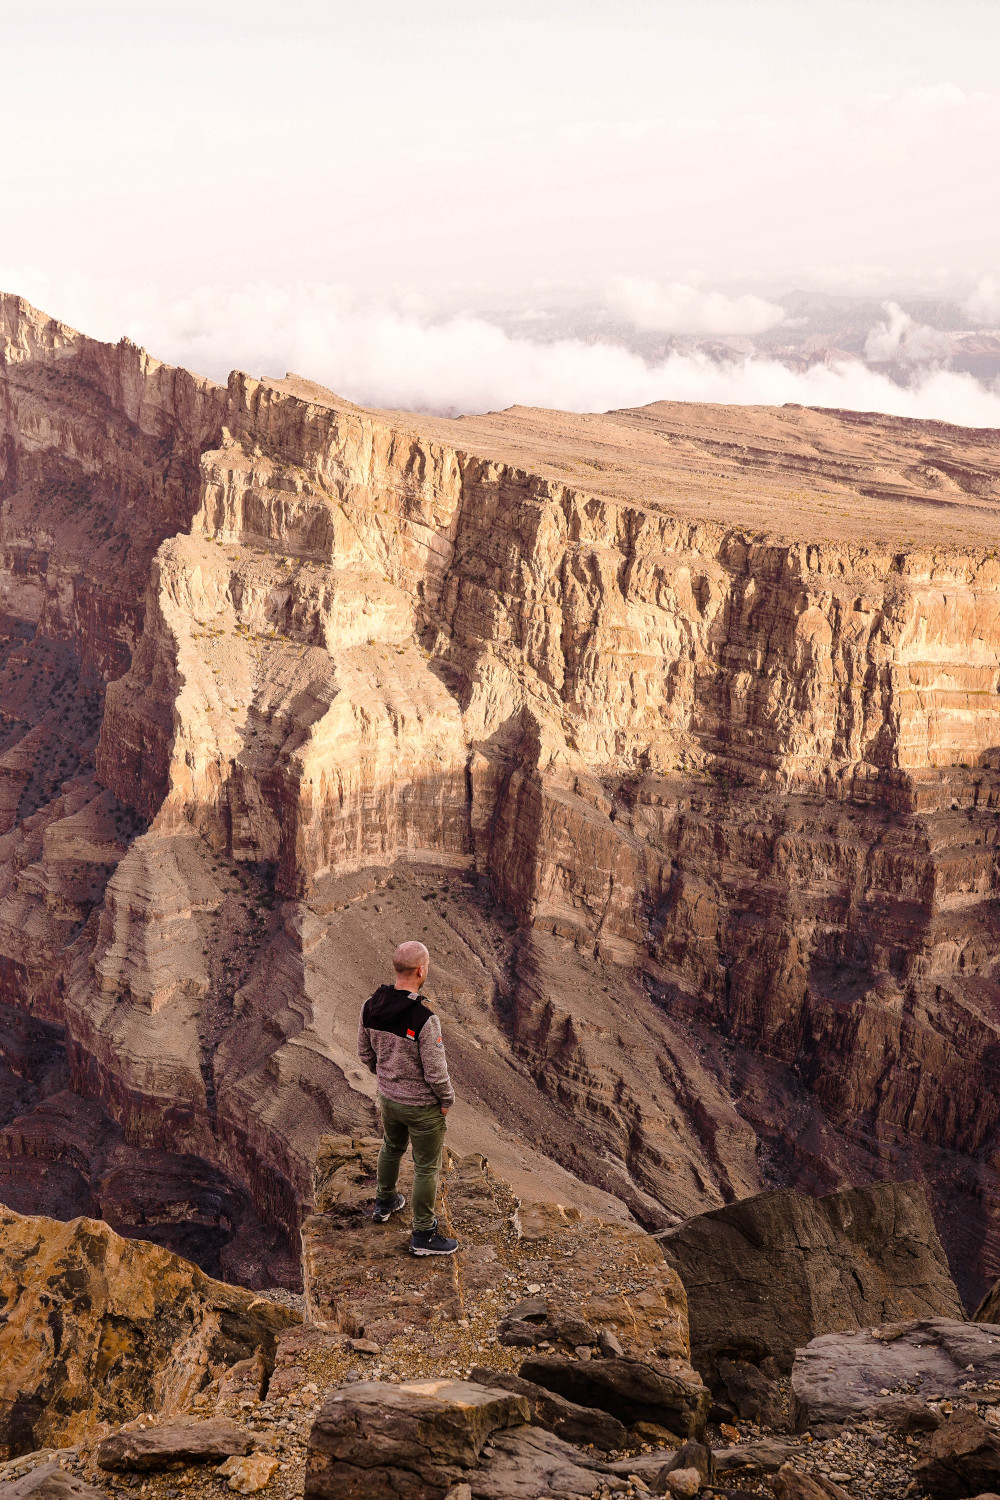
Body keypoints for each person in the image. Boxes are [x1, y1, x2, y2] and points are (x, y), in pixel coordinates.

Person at [357, 939, 459, 1256]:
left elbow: (365, 1054)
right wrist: (446, 1101)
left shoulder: (370, 1005)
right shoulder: (424, 1019)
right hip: (421, 1108)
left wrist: (387, 1078)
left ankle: (385, 1201)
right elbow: (436, 1073)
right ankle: (423, 1235)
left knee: (391, 1146)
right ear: (421, 970)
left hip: (388, 1100)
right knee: (426, 1168)